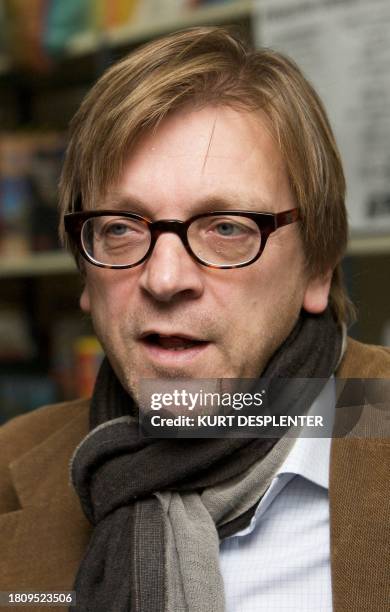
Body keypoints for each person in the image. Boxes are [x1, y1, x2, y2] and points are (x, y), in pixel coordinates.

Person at [0, 26, 389, 612]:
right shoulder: (10, 467)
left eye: (228, 227)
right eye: (122, 228)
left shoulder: (376, 421)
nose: (164, 279)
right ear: (85, 271)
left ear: (318, 268)